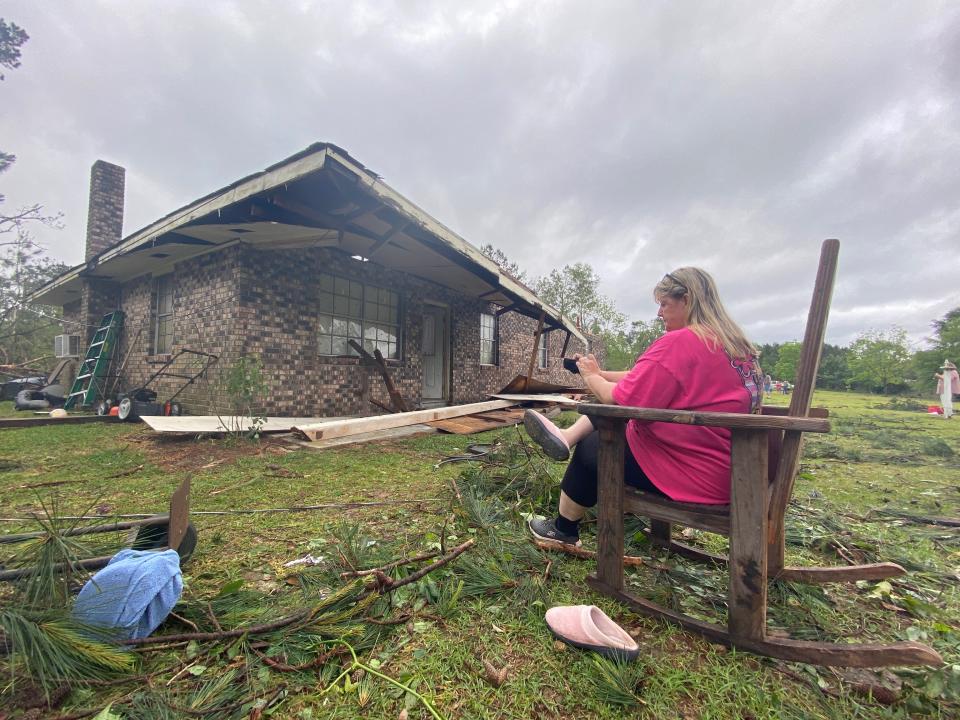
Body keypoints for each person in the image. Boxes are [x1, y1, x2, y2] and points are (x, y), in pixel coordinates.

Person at [524, 267, 763, 546]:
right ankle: (566, 436)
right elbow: (645, 376)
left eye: (664, 304)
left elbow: (618, 398)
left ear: (687, 299)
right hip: (736, 469)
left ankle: (563, 530)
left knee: (596, 445)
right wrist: (598, 372)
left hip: (696, 472)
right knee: (611, 423)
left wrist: (590, 377)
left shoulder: (682, 341)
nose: (659, 313)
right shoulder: (735, 345)